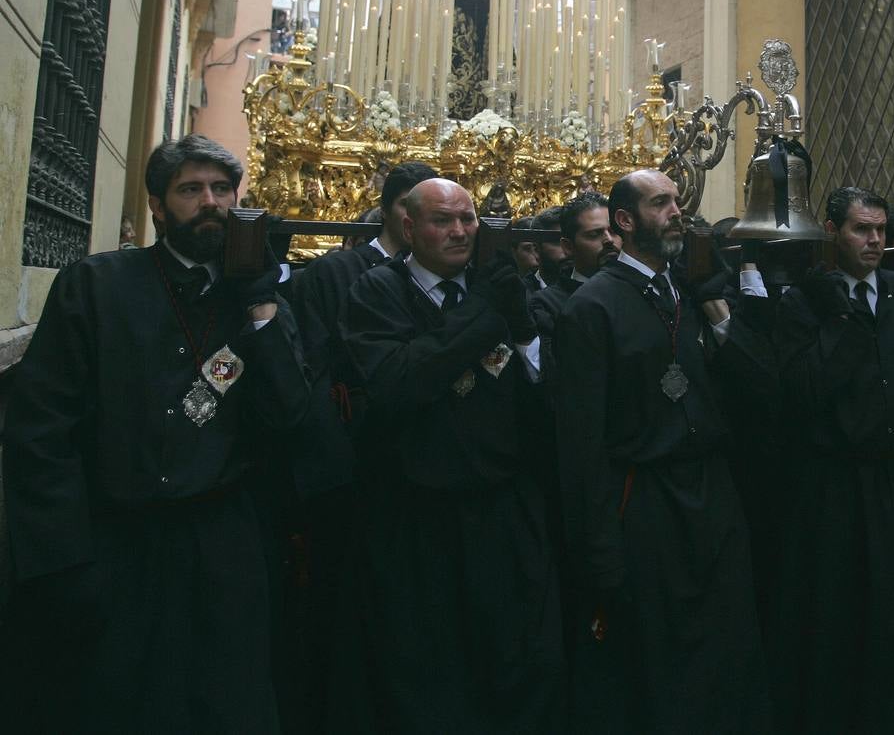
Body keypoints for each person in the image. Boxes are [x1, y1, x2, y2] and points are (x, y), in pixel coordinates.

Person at [0, 135, 307, 732]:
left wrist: (263, 308)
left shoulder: (258, 300)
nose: (210, 203)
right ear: (159, 207)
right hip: (116, 543)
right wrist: (61, 561)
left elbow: (292, 415)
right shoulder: (97, 284)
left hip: (221, 549)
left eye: (222, 190)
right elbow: (41, 429)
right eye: (191, 190)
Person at [340, 178, 564, 730]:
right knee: (424, 671)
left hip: (502, 511)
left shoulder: (504, 289)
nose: (461, 231)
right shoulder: (377, 291)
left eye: (468, 219)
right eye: (444, 220)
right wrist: (487, 313)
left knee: (517, 663)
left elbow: (548, 394)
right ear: (409, 228)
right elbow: (402, 381)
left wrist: (524, 329)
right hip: (416, 516)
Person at [553, 169, 771, 733]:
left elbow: (754, 384)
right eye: (661, 203)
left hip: (710, 496)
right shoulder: (592, 307)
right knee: (658, 654)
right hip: (644, 503)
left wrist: (717, 310)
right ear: (624, 221)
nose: (677, 210)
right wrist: (599, 547)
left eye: (677, 200)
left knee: (723, 646)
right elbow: (580, 442)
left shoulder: (689, 289)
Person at [771, 186, 894, 733]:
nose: (875, 240)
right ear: (834, 233)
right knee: (843, 616)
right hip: (837, 488)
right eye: (862, 229)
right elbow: (804, 393)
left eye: (880, 230)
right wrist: (843, 323)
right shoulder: (805, 301)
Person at [278, 161, 437, 730]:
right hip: (348, 465)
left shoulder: (437, 278)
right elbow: (312, 368)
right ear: (400, 213)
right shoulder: (334, 274)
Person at [528, 192, 620, 354]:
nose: (609, 240)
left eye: (613, 231)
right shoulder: (546, 303)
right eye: (594, 234)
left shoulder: (639, 288)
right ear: (568, 247)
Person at [535, 205, 572, 285]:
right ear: (536, 249)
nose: (567, 249)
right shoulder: (523, 293)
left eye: (570, 241)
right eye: (557, 242)